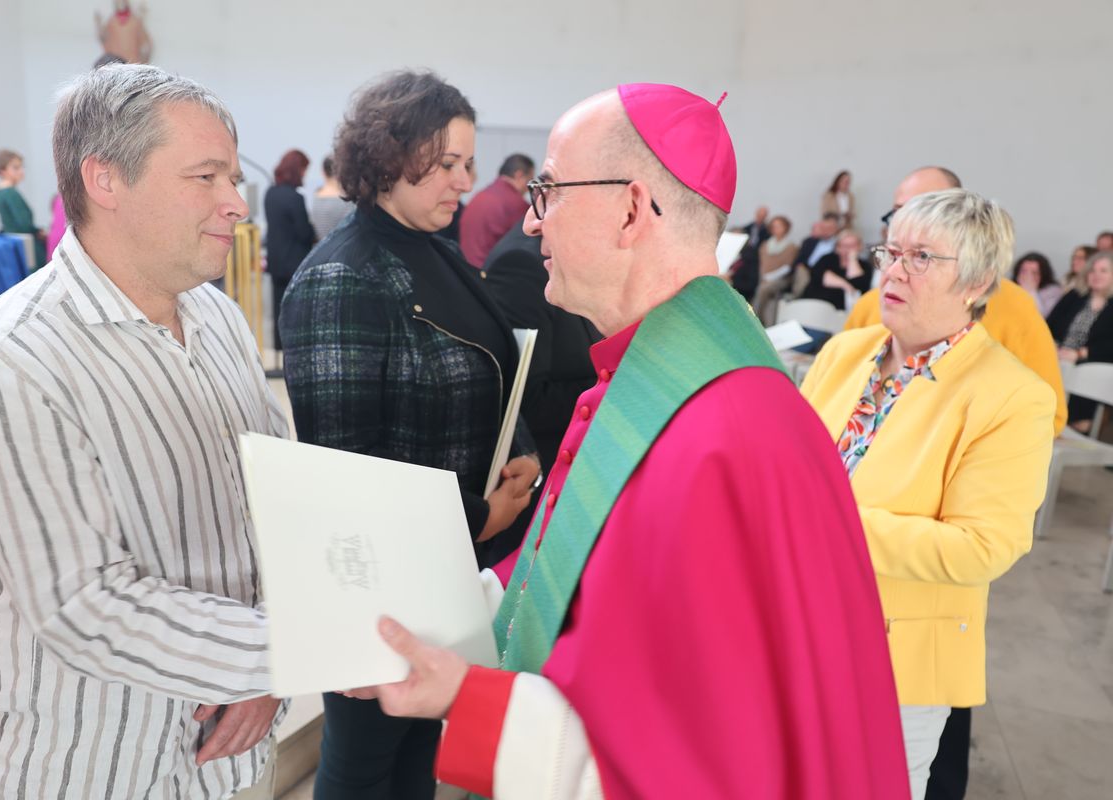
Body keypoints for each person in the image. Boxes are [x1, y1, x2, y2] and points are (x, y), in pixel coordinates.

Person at [354, 83, 909, 799]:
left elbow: (689, 763)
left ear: (630, 210)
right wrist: (452, 608)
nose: (529, 221)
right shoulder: (654, 378)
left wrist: (466, 697)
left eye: (547, 191)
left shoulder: (720, 437)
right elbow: (571, 565)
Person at [0, 64, 286, 799]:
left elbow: (271, 493)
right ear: (105, 180)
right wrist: (290, 649)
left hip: (226, 755)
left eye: (233, 176)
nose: (236, 203)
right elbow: (85, 606)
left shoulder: (213, 315)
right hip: (96, 765)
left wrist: (259, 667)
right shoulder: (7, 361)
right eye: (207, 177)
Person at [279, 70, 539, 800]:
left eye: (469, 163)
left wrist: (516, 459)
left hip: (447, 567)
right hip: (379, 585)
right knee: (365, 762)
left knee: (418, 756)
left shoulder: (438, 251)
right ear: (390, 156)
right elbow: (344, 471)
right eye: (448, 163)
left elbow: (491, 362)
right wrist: (480, 513)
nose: (466, 180)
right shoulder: (344, 278)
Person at [801, 188, 1055, 798]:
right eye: (891, 251)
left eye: (921, 258)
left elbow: (983, 546)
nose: (892, 270)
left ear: (976, 282)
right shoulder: (845, 352)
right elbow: (793, 467)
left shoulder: (1011, 395)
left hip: (895, 663)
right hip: (794, 623)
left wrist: (825, 523)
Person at [845, 166, 1067, 439]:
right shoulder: (869, 308)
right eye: (900, 212)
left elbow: (1048, 415)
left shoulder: (1014, 306)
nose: (912, 220)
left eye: (934, 209)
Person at [483, 222, 602, 479]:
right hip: (544, 465)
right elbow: (527, 399)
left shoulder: (569, 248)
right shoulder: (522, 264)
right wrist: (612, 385)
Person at [1046, 250, 1113, 432]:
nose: (1096, 275)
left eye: (1103, 271)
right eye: (1092, 270)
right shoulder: (1074, 296)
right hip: (1058, 356)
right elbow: (1049, 326)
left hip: (1091, 363)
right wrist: (1052, 345)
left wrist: (1081, 353)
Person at [264, 149, 316, 352]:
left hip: (276, 263)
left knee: (278, 308)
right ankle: (296, 348)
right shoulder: (295, 198)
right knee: (297, 310)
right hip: (295, 263)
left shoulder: (270, 194)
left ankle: (279, 348)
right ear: (297, 170)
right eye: (304, 170)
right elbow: (304, 232)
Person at [460, 153, 534, 267]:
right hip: (492, 275)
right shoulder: (516, 204)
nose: (528, 189)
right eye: (529, 180)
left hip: (467, 269)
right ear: (519, 175)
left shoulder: (479, 196)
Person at [0, 148, 48, 269]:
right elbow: (24, 223)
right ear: (2, 170)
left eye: (21, 167)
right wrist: (38, 231)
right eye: (15, 168)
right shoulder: (10, 193)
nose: (21, 171)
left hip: (12, 243)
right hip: (26, 246)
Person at [800, 228, 872, 310]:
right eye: (845, 246)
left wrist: (852, 260)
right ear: (838, 247)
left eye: (853, 246)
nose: (848, 249)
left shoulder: (865, 266)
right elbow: (821, 277)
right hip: (814, 303)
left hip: (841, 310)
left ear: (859, 246)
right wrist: (846, 285)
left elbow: (858, 286)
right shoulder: (827, 259)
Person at [750, 214, 798, 325]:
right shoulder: (765, 245)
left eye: (779, 226)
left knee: (763, 289)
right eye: (774, 226)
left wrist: (770, 277)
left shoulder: (791, 247)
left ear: (786, 228)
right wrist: (764, 277)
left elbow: (787, 267)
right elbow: (762, 265)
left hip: (781, 279)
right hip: (763, 278)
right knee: (762, 288)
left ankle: (754, 316)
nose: (776, 229)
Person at [309, 155, 353, 240]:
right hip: (341, 249)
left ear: (322, 172)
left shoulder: (313, 199)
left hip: (319, 250)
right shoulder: (346, 202)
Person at [1012, 251, 1063, 316]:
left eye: (1034, 273)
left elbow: (1043, 317)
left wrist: (1031, 291)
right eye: (1024, 271)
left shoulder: (1053, 291)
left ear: (1043, 274)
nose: (1028, 276)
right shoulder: (1010, 287)